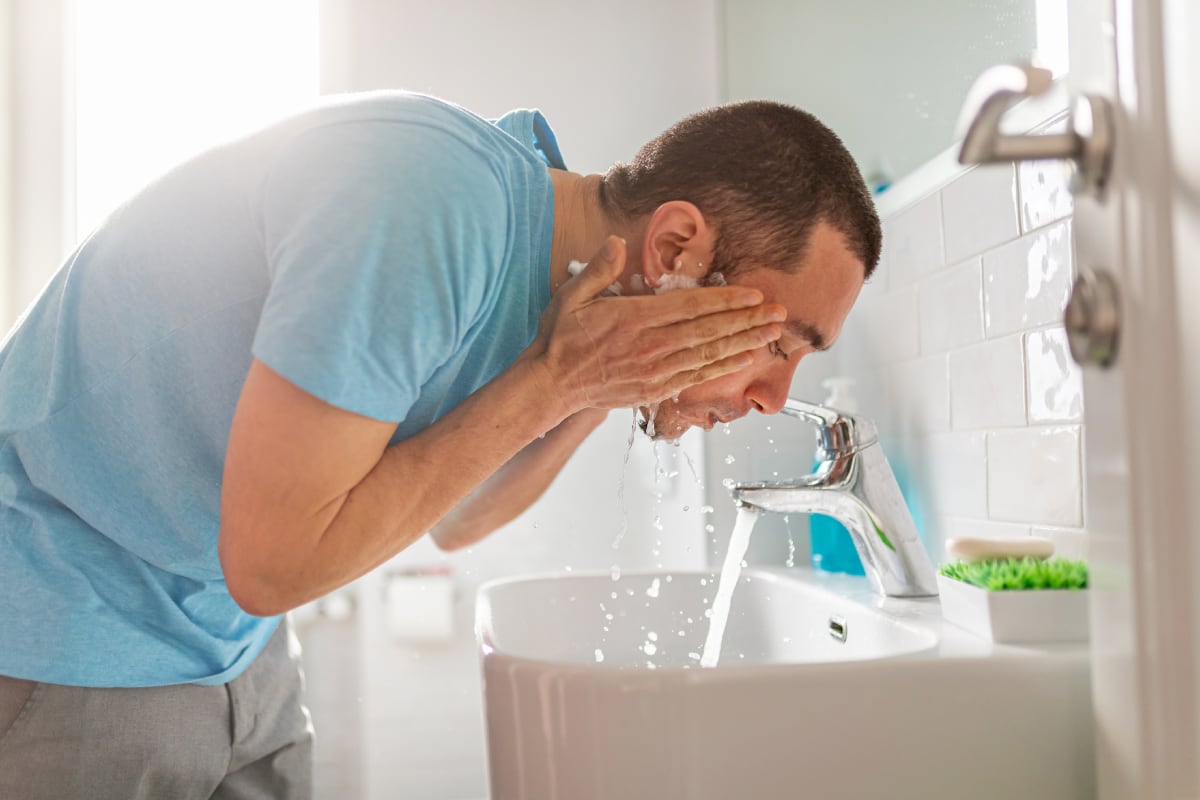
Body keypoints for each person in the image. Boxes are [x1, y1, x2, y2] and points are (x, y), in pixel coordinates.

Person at [0, 90, 880, 798]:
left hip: (237, 639)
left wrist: (610, 378)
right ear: (678, 246)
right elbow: (271, 564)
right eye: (778, 344)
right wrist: (561, 381)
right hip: (72, 613)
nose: (773, 399)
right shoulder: (428, 206)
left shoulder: (546, 273)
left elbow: (459, 521)